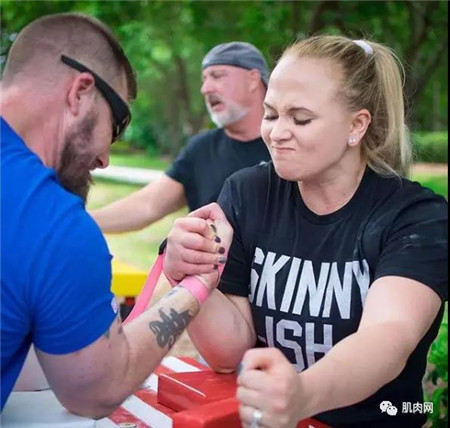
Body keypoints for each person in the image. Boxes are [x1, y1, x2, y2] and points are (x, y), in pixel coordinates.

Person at [163, 35, 448, 427]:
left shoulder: (416, 217)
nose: (277, 133)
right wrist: (191, 272)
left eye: (300, 119)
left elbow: (388, 338)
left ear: (356, 125)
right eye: (270, 114)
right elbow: (229, 353)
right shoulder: (248, 192)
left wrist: (302, 395)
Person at [0, 12, 232, 418]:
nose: (106, 158)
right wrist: (195, 287)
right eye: (118, 123)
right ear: (80, 92)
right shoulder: (55, 225)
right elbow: (95, 389)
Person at [91, 41, 271, 233]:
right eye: (204, 79)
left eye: (217, 76)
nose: (206, 89)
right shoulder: (201, 149)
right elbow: (147, 206)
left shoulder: (286, 145)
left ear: (253, 80)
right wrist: (74, 223)